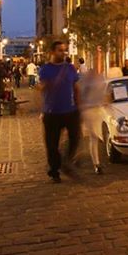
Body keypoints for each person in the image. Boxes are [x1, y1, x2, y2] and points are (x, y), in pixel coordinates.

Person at [38, 41, 81, 183]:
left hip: (70, 110)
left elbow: (76, 87)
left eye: (64, 50)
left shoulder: (70, 68)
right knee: (52, 144)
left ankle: (66, 161)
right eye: (60, 50)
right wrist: (42, 88)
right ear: (52, 52)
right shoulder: (45, 69)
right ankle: (54, 171)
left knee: (75, 137)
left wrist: (79, 105)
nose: (63, 53)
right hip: (52, 112)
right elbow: (42, 87)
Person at [79, 69, 106, 174]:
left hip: (95, 111)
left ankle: (95, 163)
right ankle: (95, 163)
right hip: (89, 111)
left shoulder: (98, 81)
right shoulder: (88, 82)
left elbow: (104, 96)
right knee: (93, 136)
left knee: (93, 137)